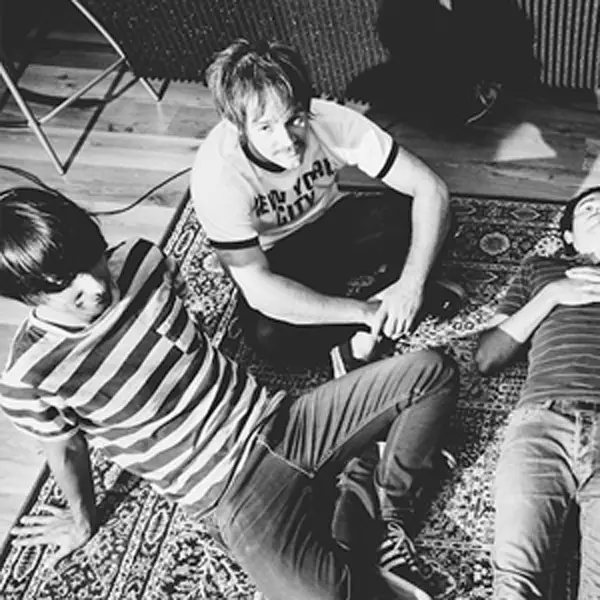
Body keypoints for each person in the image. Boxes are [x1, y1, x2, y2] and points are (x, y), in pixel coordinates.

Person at [0, 187, 459, 600]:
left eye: (92, 257)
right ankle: (359, 474)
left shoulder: (142, 260)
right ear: (28, 295)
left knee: (431, 373)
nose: (96, 285)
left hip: (281, 420)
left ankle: (388, 512)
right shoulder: (28, 376)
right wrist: (83, 520)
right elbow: (67, 451)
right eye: (65, 285)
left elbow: (183, 320)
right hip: (228, 493)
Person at [191, 38, 464, 372]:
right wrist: (364, 312)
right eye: (266, 127)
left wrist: (410, 286)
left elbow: (431, 189)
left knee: (436, 216)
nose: (286, 140)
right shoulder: (217, 176)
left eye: (295, 118)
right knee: (268, 335)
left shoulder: (331, 120)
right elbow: (259, 289)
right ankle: (380, 317)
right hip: (277, 253)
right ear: (237, 126)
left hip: (333, 222)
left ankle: (378, 316)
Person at [475, 186, 600, 598]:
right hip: (542, 423)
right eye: (589, 207)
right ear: (569, 237)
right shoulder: (540, 270)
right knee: (515, 581)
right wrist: (552, 295)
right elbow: (487, 356)